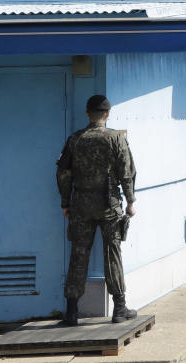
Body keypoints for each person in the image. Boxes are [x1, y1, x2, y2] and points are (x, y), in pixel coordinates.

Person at [56, 95, 138, 326]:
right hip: (109, 204)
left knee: (78, 253)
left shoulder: (75, 139)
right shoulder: (115, 138)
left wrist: (65, 203)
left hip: (80, 204)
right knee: (112, 252)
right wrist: (130, 201)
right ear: (107, 114)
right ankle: (119, 309)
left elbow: (63, 174)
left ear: (86, 113)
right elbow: (126, 171)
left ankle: (72, 312)